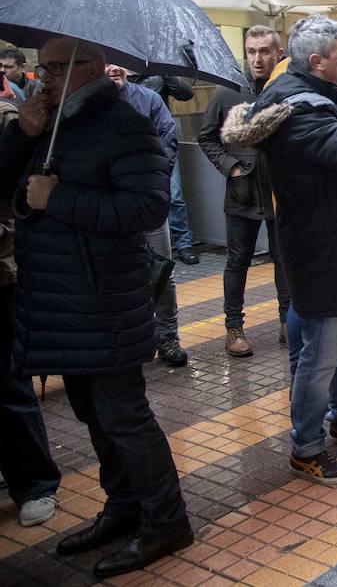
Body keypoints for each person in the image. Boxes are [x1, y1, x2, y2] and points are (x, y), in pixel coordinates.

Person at [0, 37, 193, 577]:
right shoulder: (49, 123)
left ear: (93, 68)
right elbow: (7, 187)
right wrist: (23, 134)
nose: (45, 78)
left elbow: (146, 208)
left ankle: (166, 521)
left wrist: (57, 197)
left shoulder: (126, 124)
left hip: (104, 298)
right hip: (58, 298)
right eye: (43, 68)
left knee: (124, 416)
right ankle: (123, 506)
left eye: (59, 68)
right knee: (91, 413)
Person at [224, 15, 337, 487]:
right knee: (319, 355)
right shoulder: (296, 110)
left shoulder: (319, 98)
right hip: (320, 250)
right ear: (318, 62)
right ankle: (306, 447)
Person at [199, 25, 292, 357]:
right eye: (251, 51)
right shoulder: (228, 91)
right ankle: (233, 327)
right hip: (242, 192)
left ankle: (287, 321)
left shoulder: (285, 89)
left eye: (264, 51)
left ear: (278, 54)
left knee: (284, 258)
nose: (257, 58)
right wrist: (231, 167)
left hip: (280, 191)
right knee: (238, 261)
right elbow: (206, 137)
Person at [0, 88, 61, 528]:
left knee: (7, 382)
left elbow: (15, 192)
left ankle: (34, 483)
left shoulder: (11, 119)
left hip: (1, 270)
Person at [106, 64, 189, 367]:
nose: (114, 67)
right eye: (107, 60)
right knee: (115, 274)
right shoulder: (86, 106)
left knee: (162, 271)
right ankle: (128, 338)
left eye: (118, 61)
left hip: (149, 203)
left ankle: (168, 335)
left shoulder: (148, 100)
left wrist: (149, 180)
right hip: (109, 208)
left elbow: (168, 141)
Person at [136, 74, 199, 265]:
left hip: (160, 147)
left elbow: (186, 93)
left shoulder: (155, 74)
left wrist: (164, 72)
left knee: (175, 195)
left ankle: (183, 243)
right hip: (132, 149)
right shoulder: (116, 76)